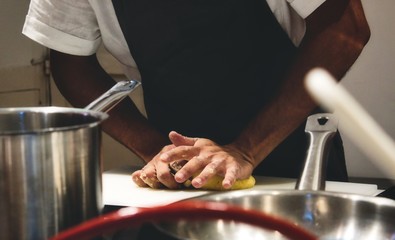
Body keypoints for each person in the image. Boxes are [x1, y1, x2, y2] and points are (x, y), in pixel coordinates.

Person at [23, 0, 370, 190]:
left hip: (291, 154)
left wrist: (246, 149)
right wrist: (159, 150)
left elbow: (345, 29)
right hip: (181, 174)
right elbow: (70, 61)